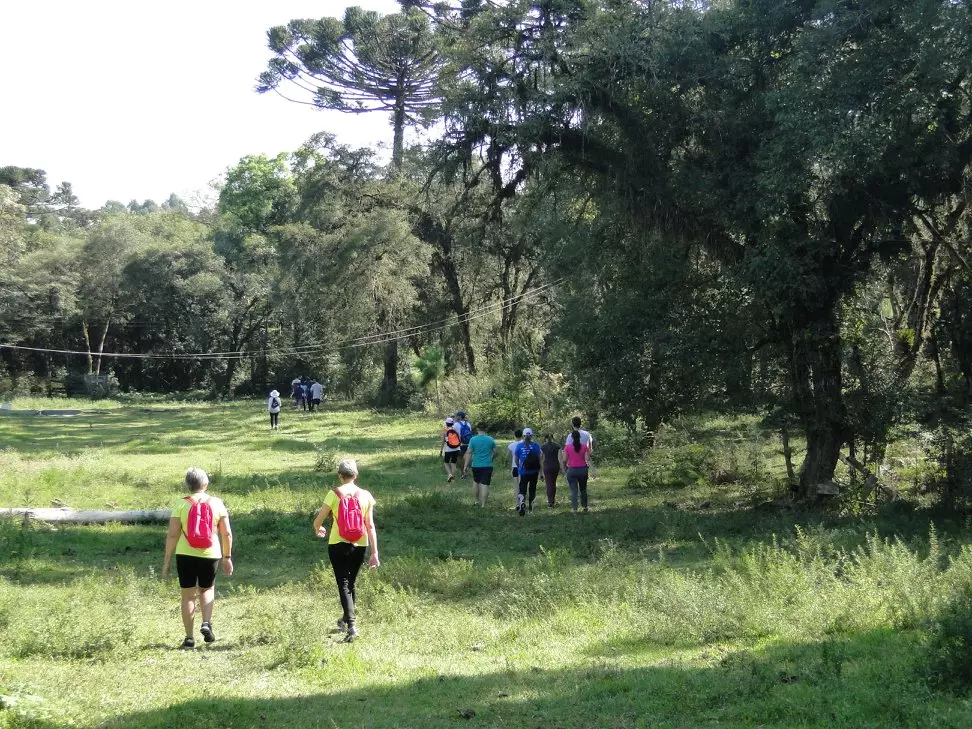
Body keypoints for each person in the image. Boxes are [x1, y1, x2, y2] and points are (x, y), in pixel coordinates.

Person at [162, 467, 233, 649]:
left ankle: (189, 638)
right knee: (207, 589)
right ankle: (206, 623)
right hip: (211, 554)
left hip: (185, 554)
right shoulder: (217, 503)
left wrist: (167, 562)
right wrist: (227, 557)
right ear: (206, 484)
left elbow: (172, 535)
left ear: (188, 485)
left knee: (187, 596)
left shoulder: (180, 504)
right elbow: (227, 534)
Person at [312, 459, 379, 642]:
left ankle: (351, 626)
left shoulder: (333, 494)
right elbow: (370, 525)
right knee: (350, 584)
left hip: (337, 544)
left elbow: (318, 520)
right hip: (360, 544)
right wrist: (374, 553)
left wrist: (319, 529)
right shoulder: (365, 495)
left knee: (343, 584)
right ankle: (345, 620)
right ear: (356, 475)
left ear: (340, 476)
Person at [464, 423, 498, 507]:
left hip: (476, 465)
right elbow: (496, 452)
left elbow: (469, 452)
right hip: (487, 465)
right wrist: (492, 458)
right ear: (485, 429)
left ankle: (476, 501)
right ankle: (483, 505)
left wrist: (465, 465)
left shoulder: (473, 439)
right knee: (485, 484)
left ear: (477, 429)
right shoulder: (490, 439)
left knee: (476, 482)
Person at [561, 428, 593, 514]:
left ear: (571, 438)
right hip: (582, 470)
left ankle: (575, 509)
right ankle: (585, 507)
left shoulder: (567, 447)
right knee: (583, 489)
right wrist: (587, 467)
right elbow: (587, 459)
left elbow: (564, 460)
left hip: (572, 470)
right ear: (579, 437)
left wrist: (565, 468)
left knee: (574, 490)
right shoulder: (584, 447)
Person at [514, 428, 543, 516]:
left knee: (522, 489)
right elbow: (540, 459)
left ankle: (522, 502)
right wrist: (541, 473)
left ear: (523, 436)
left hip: (523, 472)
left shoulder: (519, 446)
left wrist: (519, 468)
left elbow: (516, 460)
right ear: (531, 436)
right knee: (532, 489)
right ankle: (531, 510)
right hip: (534, 472)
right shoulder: (536, 446)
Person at [540, 433, 561, 507]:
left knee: (549, 484)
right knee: (553, 483)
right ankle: (553, 499)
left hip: (547, 467)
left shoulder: (542, 447)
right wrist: (562, 468)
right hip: (555, 466)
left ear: (545, 439)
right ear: (552, 438)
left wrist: (541, 471)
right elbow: (559, 458)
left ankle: (550, 502)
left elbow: (541, 459)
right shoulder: (557, 446)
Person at [507, 429, 523, 509]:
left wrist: (508, 465)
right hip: (523, 467)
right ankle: (522, 502)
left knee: (516, 486)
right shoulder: (524, 444)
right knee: (522, 485)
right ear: (522, 436)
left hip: (514, 467)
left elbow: (508, 457)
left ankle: (517, 504)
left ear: (514, 435)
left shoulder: (511, 445)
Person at [455, 410, 473, 478]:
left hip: (460, 444)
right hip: (468, 444)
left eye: (457, 416)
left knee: (460, 458)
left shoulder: (456, 424)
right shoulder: (468, 424)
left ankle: (463, 473)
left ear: (459, 417)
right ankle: (467, 472)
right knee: (467, 458)